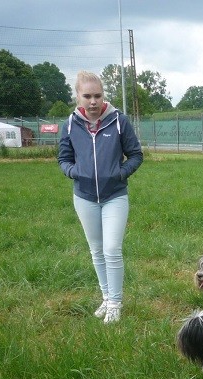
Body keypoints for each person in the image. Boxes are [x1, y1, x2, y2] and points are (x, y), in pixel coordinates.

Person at [58, 71, 143, 323]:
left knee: (112, 249)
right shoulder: (71, 124)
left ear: (103, 95)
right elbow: (63, 158)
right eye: (87, 96)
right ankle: (106, 298)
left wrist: (120, 173)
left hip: (114, 195)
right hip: (84, 197)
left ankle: (116, 303)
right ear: (78, 97)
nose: (93, 101)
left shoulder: (118, 121)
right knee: (96, 250)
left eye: (97, 95)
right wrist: (74, 172)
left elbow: (136, 155)